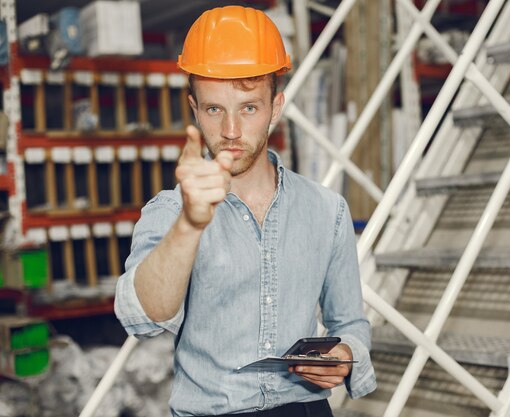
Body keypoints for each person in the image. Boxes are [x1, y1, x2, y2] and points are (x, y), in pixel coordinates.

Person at [114, 5, 376, 417]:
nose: (231, 131)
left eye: (249, 108)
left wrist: (346, 354)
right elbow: (144, 320)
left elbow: (351, 324)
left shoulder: (329, 211)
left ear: (276, 107)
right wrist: (190, 224)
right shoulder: (170, 211)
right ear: (195, 110)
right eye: (215, 109)